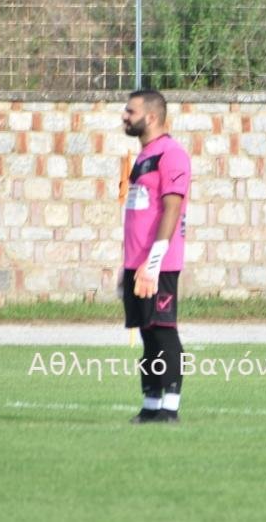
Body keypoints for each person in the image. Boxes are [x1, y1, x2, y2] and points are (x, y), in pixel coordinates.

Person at [119, 89, 190, 424]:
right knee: (147, 334)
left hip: (157, 264)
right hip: (137, 264)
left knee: (163, 331)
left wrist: (153, 261)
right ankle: (150, 406)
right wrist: (130, 266)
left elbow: (172, 208)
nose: (124, 116)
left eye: (130, 111)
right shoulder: (143, 156)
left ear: (149, 116)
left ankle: (170, 407)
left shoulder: (172, 154)